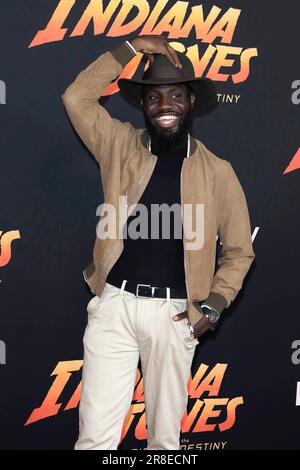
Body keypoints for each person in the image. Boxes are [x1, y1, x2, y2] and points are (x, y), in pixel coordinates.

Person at [61, 35, 255, 450]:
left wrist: (215, 304)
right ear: (143, 106)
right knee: (94, 437)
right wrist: (131, 47)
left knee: (164, 443)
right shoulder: (118, 144)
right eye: (154, 98)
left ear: (190, 102)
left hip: (175, 317)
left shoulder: (219, 172)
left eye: (175, 95)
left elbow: (239, 251)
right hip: (114, 307)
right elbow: (77, 97)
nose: (164, 105)